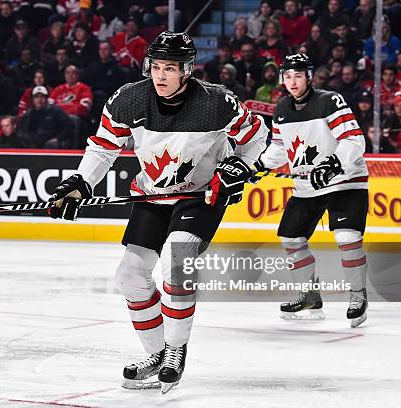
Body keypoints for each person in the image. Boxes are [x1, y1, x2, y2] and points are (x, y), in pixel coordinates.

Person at [47, 32, 268, 393]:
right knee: (130, 276)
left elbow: (257, 138)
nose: (160, 75)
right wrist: (81, 183)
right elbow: (103, 148)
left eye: (170, 68)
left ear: (187, 70)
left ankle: (176, 351)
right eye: (156, 67)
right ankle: (158, 353)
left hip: (199, 196)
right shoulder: (128, 99)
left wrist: (238, 168)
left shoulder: (216, 102)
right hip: (152, 196)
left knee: (177, 260)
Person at [253, 54, 369, 328]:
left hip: (345, 182)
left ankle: (357, 295)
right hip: (307, 187)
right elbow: (280, 148)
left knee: (346, 236)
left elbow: (354, 140)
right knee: (291, 239)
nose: (292, 82)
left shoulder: (330, 101)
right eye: (288, 76)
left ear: (309, 77)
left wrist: (333, 164)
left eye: (298, 76)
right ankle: (309, 295)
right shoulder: (281, 108)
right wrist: (258, 165)